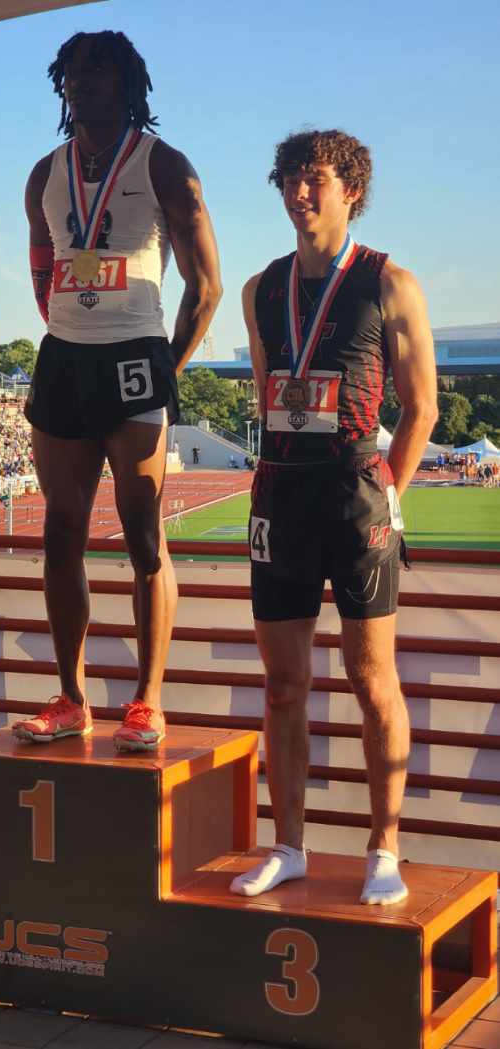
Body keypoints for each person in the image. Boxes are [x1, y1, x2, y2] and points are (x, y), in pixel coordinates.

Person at [232, 129, 437, 905]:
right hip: (281, 491)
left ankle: (383, 846)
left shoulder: (391, 282)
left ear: (349, 188)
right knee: (283, 684)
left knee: (369, 676)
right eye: (287, 178)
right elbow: (264, 395)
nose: (297, 192)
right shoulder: (261, 288)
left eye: (313, 178)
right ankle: (287, 844)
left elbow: (422, 407)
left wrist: (392, 489)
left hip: (356, 491)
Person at [14, 30, 221, 751]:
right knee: (60, 528)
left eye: (101, 73)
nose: (85, 83)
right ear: (60, 84)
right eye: (73, 72)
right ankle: (71, 696)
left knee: (142, 534)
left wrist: (168, 365)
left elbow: (206, 285)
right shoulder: (43, 170)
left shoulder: (164, 164)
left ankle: (146, 698)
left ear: (130, 84)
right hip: (65, 358)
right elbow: (42, 274)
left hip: (137, 355)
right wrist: (75, 325)